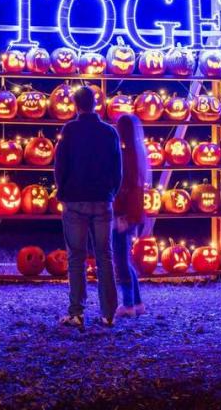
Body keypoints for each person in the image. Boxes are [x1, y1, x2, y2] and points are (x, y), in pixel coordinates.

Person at [53, 85, 121, 328]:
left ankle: (77, 312)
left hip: (75, 200)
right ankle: (108, 313)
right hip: (103, 200)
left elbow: (60, 166)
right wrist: (111, 192)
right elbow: (117, 170)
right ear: (96, 104)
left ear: (76, 105)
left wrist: (62, 191)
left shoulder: (70, 130)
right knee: (105, 256)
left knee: (76, 257)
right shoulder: (109, 132)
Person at [111, 114, 151, 318]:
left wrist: (120, 213)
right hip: (133, 212)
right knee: (124, 258)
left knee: (120, 260)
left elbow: (122, 186)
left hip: (123, 213)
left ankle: (127, 304)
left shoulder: (124, 155)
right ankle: (137, 301)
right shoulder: (137, 152)